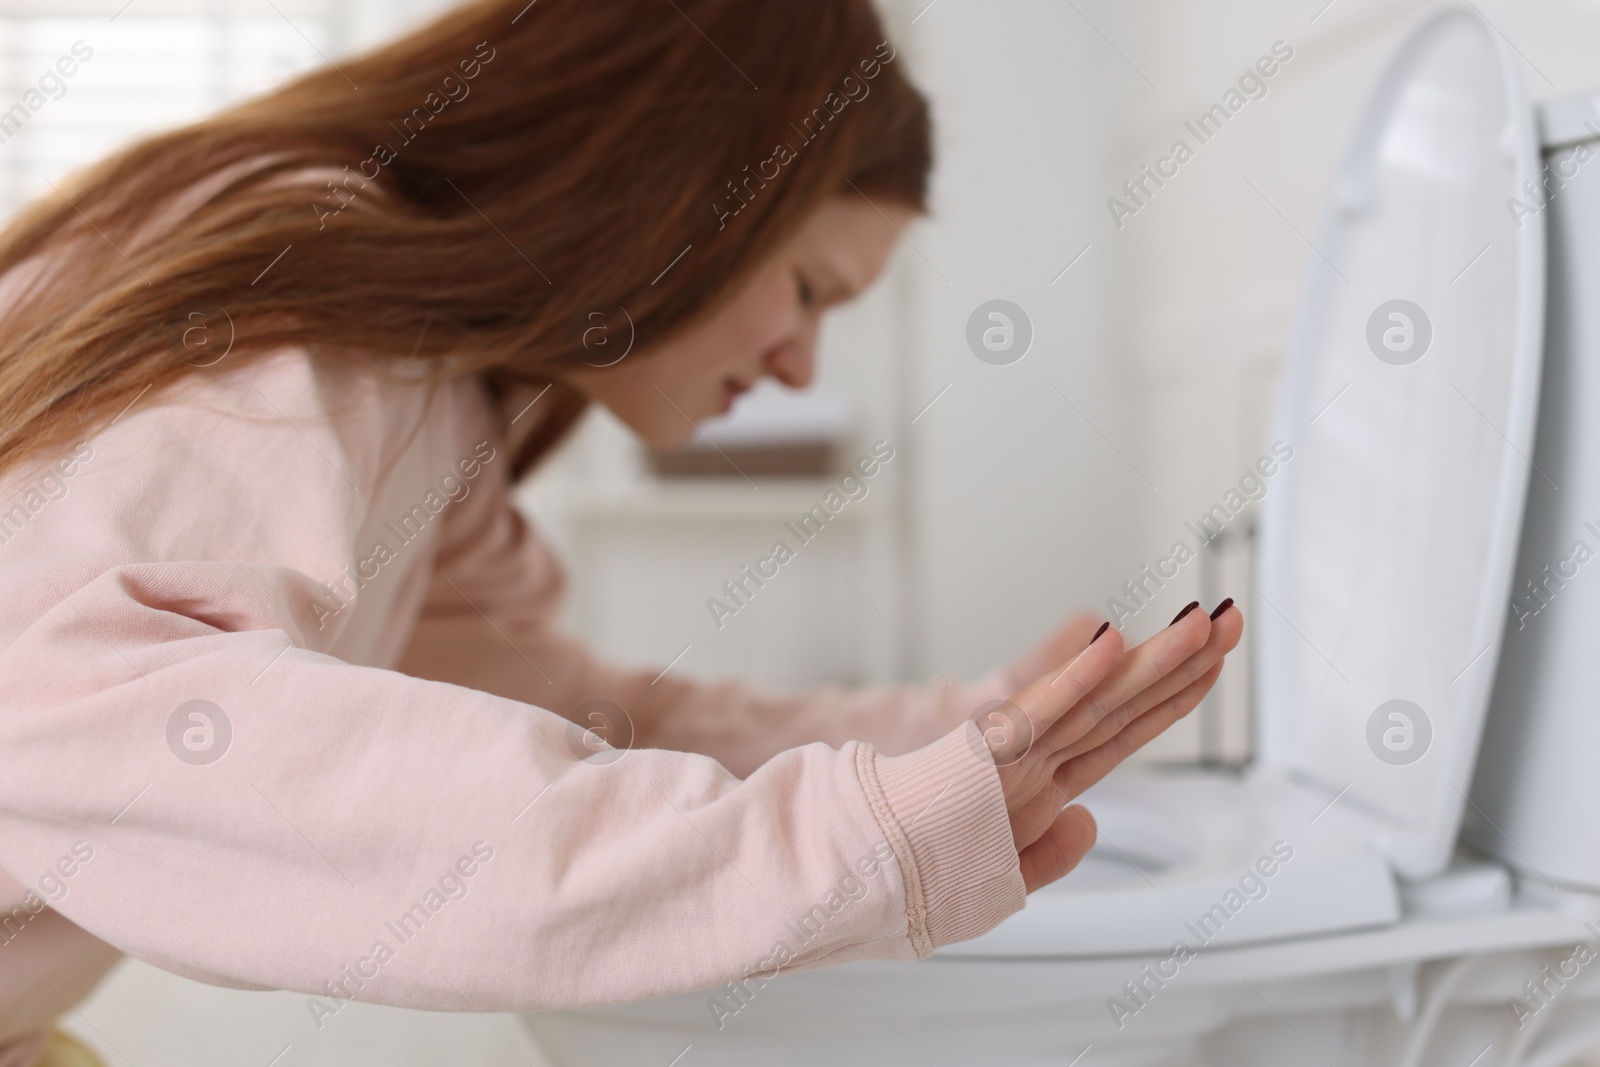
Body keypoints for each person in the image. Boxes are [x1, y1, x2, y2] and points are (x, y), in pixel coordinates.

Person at [0, 0, 1242, 1063]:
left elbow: (560, 703)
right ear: (685, 177)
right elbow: (102, 719)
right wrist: (831, 851)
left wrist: (946, 737)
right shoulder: (317, 283)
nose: (801, 363)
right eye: (808, 288)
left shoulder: (434, 381)